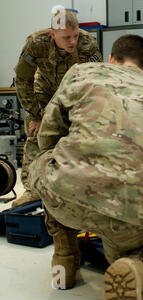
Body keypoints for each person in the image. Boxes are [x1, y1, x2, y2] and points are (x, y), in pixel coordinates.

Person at [28, 34, 143, 299]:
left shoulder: (80, 73)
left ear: (110, 59)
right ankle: (134, 267)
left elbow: (47, 137)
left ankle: (66, 253)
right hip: (128, 216)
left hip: (63, 198)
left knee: (45, 159)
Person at [13, 9, 102, 207]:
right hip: (44, 89)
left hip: (75, 90)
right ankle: (32, 191)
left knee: (82, 135)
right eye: (66, 37)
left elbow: (96, 79)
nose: (72, 41)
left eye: (75, 35)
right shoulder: (36, 44)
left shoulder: (88, 44)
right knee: (37, 135)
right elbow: (22, 79)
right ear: (53, 34)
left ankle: (82, 187)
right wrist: (35, 114)